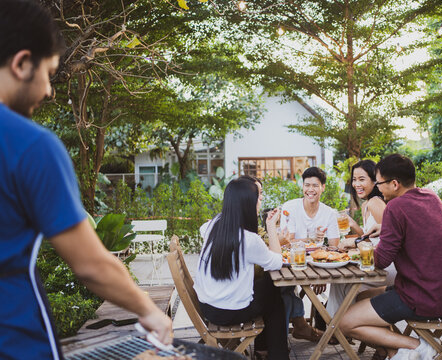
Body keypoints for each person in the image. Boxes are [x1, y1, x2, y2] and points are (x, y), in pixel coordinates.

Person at [0, 1, 172, 359]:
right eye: (48, 73)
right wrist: (151, 312)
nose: (49, 90)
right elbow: (91, 265)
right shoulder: (31, 145)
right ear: (21, 63)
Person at [339, 154, 442, 360]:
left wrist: (357, 244)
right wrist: (384, 229)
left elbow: (381, 260)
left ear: (394, 184)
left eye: (380, 183)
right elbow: (414, 230)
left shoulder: (396, 207)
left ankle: (418, 346)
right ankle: (394, 352)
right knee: (361, 297)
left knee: (344, 323)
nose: (378, 187)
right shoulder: (431, 197)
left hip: (421, 297)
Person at [194, 178, 289, 360]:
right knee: (274, 294)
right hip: (229, 311)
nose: (261, 200)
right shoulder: (248, 240)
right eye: (259, 197)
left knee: (266, 286)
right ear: (248, 202)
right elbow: (277, 262)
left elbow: (202, 229)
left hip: (207, 306)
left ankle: (263, 351)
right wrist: (271, 226)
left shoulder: (214, 224)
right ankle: (277, 355)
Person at [326, 160, 397, 321]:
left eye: (362, 179)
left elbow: (391, 239)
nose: (356, 184)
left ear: (375, 181)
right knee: (339, 283)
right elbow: (372, 237)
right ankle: (335, 326)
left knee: (345, 284)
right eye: (354, 179)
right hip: (373, 262)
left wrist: (355, 244)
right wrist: (355, 226)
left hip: (387, 267)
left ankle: (338, 326)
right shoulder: (366, 205)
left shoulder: (375, 203)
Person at [280, 166, 340, 342]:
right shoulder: (290, 207)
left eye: (315, 185)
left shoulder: (328, 213)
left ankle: (331, 326)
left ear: (323, 187)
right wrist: (310, 238)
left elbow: (334, 246)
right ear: (302, 186)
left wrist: (322, 275)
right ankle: (295, 330)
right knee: (283, 287)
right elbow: (287, 242)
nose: (310, 190)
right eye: (307, 185)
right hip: (291, 263)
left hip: (317, 264)